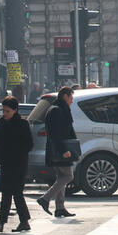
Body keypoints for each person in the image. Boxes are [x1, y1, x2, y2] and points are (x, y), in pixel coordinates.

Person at [0, 96, 34, 232]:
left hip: (19, 164)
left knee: (17, 192)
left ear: (15, 110)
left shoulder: (22, 124)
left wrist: (16, 152)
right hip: (5, 164)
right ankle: (2, 222)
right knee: (6, 192)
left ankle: (23, 221)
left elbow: (29, 145)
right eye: (3, 111)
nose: (5, 114)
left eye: (7, 111)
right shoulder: (0, 123)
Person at [36, 86, 78, 218]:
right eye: (71, 98)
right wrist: (64, 150)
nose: (72, 101)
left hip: (58, 149)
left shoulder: (58, 109)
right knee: (68, 176)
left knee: (61, 177)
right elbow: (55, 134)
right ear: (65, 96)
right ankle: (45, 199)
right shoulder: (57, 110)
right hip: (60, 150)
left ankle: (60, 208)